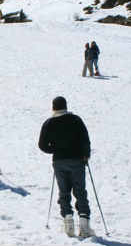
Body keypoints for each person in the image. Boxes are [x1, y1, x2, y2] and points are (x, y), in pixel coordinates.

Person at [38, 96, 95, 238]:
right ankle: (84, 225)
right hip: (77, 160)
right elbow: (85, 139)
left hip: (59, 161)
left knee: (64, 192)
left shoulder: (49, 123)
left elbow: (42, 145)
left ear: (53, 107)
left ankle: (68, 221)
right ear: (66, 106)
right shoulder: (76, 120)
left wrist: (55, 149)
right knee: (80, 191)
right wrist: (86, 155)